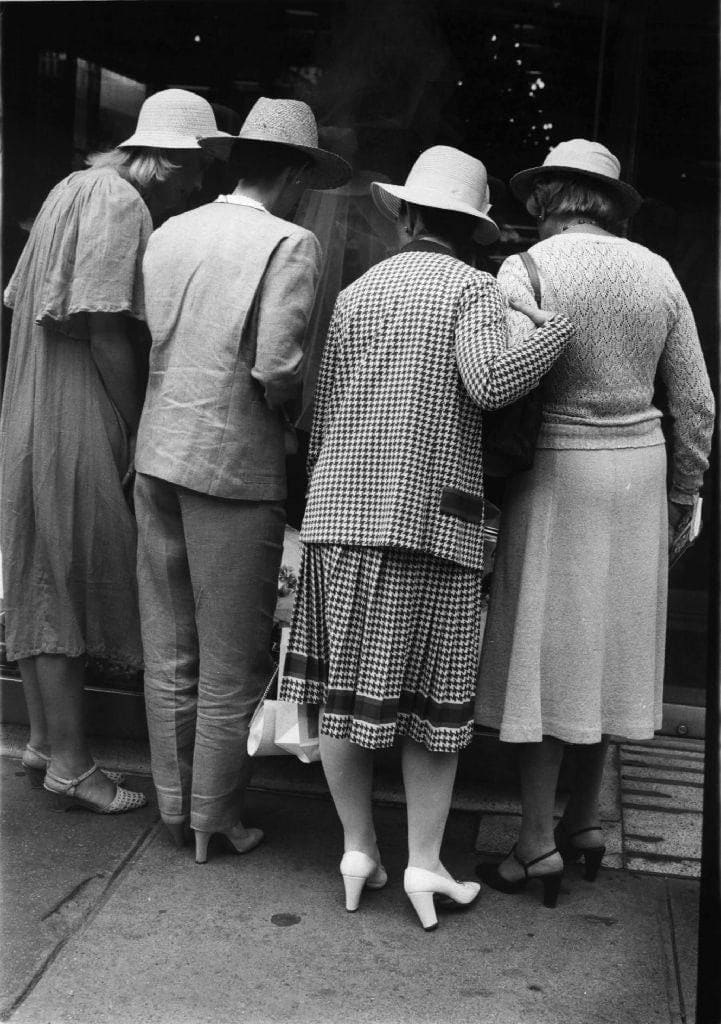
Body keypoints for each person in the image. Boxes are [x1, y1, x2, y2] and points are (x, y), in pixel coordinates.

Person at [278, 145, 575, 931]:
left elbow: (325, 407)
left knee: (341, 700)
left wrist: (311, 509)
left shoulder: (358, 291)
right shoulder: (477, 291)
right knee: (430, 709)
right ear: (473, 228)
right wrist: (548, 335)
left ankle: (355, 850)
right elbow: (489, 383)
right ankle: (424, 864)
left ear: (406, 215)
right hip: (430, 525)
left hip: (339, 515)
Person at [475, 139, 715, 905]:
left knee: (547, 656)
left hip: (556, 469)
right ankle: (585, 824)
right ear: (611, 204)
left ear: (546, 199)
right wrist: (682, 495)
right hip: (639, 472)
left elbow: (500, 380)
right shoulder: (657, 272)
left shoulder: (527, 270)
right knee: (609, 649)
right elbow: (698, 403)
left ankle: (535, 842)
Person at [134, 97, 352, 860]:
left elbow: (148, 330)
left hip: (157, 452)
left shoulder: (172, 230)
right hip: (233, 464)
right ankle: (214, 819)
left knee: (170, 649)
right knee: (233, 660)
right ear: (292, 172)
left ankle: (173, 807)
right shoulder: (290, 243)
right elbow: (277, 365)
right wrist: (295, 419)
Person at [0, 88, 225, 815]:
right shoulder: (122, 203)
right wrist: (135, 425)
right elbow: (102, 327)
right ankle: (72, 764)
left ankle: (41, 741)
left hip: (30, 404)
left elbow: (18, 298)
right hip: (76, 410)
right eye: (195, 170)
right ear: (166, 161)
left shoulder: (69, 186)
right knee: (64, 577)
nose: (199, 185)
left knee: (38, 571)